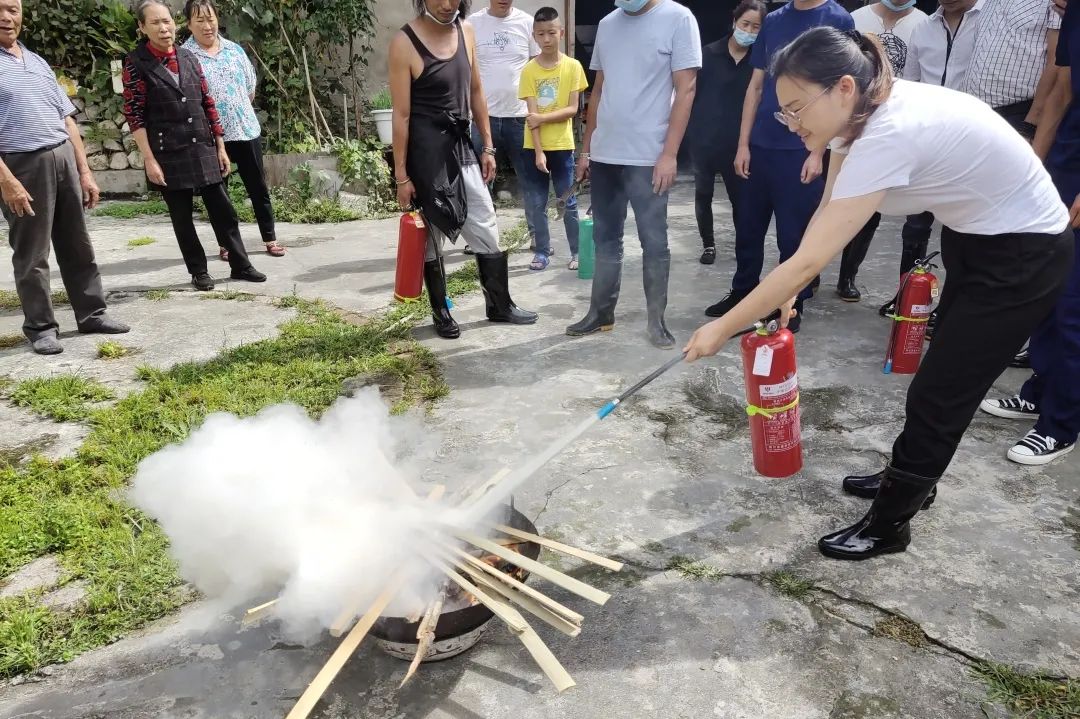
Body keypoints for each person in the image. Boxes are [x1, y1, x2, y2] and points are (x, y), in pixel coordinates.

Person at [684, 27, 1072, 561]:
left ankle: (890, 525)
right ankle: (913, 477)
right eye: (784, 112)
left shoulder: (888, 131)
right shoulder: (857, 114)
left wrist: (723, 328)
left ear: (842, 87)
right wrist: (786, 290)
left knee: (941, 392)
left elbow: (811, 258)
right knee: (943, 377)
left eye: (797, 109)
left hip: (1023, 258)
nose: (793, 124)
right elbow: (827, 215)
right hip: (976, 238)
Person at [389, 0, 537, 340]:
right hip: (425, 156)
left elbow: (475, 90)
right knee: (430, 235)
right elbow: (401, 116)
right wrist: (401, 176)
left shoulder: (465, 30)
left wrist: (486, 144)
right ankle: (441, 311)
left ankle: (499, 304)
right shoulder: (404, 43)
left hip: (461, 146)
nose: (446, 4)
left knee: (484, 218)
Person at [703, 0, 853, 332]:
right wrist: (743, 143)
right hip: (760, 145)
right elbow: (756, 86)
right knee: (748, 228)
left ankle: (790, 304)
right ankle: (743, 292)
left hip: (802, 149)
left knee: (792, 235)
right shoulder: (773, 20)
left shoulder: (838, 19)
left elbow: (840, 93)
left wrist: (818, 152)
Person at [565, 0, 701, 349]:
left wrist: (669, 154)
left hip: (648, 155)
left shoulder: (677, 18)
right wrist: (587, 149)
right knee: (605, 239)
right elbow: (597, 91)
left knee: (654, 242)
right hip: (607, 152)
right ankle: (600, 313)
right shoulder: (609, 23)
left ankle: (656, 320)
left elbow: (686, 89)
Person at [980, 0, 1080, 466]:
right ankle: (1041, 391)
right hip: (1063, 166)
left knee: (1071, 308)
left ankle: (1061, 424)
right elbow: (1061, 88)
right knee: (1044, 286)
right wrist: (1033, 166)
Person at [0, 0, 128, 355]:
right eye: (0, 9)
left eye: (13, 9)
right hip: (22, 166)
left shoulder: (37, 61)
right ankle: (41, 327)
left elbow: (67, 120)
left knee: (77, 244)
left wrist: (85, 172)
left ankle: (92, 313)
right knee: (32, 253)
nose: (6, 17)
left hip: (62, 159)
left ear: (22, 16)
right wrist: (7, 181)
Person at [123, 0, 265, 291]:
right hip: (168, 153)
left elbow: (207, 104)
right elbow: (134, 116)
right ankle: (199, 271)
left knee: (224, 210)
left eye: (167, 21)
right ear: (142, 28)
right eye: (155, 23)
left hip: (203, 146)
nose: (164, 29)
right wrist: (149, 159)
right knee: (182, 217)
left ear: (174, 23)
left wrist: (220, 145)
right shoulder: (136, 63)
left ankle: (241, 264)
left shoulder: (188, 57)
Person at [870, 0, 984, 319]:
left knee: (961, 229)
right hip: (927, 138)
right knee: (915, 224)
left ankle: (949, 307)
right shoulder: (924, 27)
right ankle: (906, 296)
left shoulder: (986, 24)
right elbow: (910, 84)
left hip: (968, 136)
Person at [833, 0, 927, 301]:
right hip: (854, 124)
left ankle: (906, 292)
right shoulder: (855, 18)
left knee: (908, 218)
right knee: (851, 203)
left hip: (899, 130)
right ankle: (841, 274)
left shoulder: (923, 24)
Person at [182, 0, 285, 259]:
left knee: (258, 187)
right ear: (188, 25)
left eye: (211, 19)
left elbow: (250, 88)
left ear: (217, 19)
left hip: (245, 129)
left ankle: (270, 238)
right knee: (219, 195)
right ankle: (227, 244)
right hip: (211, 138)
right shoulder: (185, 56)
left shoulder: (234, 50)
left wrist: (233, 110)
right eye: (200, 21)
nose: (207, 26)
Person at [686, 0, 766, 266]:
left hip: (738, 143)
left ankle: (742, 243)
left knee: (739, 199)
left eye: (756, 27)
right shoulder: (707, 54)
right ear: (734, 22)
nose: (749, 31)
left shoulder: (759, 62)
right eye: (745, 24)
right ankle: (708, 245)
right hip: (704, 140)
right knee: (703, 194)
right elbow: (690, 95)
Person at [518, 6, 588, 271]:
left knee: (567, 201)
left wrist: (544, 119)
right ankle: (543, 252)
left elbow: (573, 110)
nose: (546, 39)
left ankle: (577, 252)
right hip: (533, 147)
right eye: (540, 34)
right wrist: (538, 152)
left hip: (563, 146)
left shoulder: (573, 67)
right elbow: (531, 116)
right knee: (537, 203)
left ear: (560, 32)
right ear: (534, 36)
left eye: (551, 33)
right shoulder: (529, 71)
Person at [467, 0, 539, 254]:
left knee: (531, 180)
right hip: (483, 118)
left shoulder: (527, 23)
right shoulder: (472, 24)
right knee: (479, 183)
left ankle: (537, 237)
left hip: (520, 117)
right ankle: (482, 240)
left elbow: (539, 69)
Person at [965, 0, 1061, 138]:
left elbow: (1058, 64)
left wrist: (1030, 125)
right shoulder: (989, 2)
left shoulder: (1054, 3)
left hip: (1017, 116)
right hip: (974, 114)